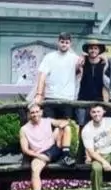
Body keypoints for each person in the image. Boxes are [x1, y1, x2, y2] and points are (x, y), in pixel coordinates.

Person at [33, 33, 78, 167]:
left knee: (65, 127)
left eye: (67, 42)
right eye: (62, 42)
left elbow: (81, 68)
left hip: (67, 99)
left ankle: (64, 156)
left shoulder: (74, 58)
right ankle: (50, 155)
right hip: (51, 98)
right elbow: (42, 75)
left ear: (70, 44)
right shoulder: (49, 57)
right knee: (50, 129)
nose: (64, 44)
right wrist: (39, 94)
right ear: (58, 42)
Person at [19, 102, 65, 190]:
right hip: (40, 154)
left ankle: (66, 155)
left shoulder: (47, 121)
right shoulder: (24, 129)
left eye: (37, 112)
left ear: (41, 112)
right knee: (35, 168)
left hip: (53, 148)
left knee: (64, 128)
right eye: (32, 113)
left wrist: (62, 124)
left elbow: (61, 122)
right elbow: (25, 149)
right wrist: (38, 155)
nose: (35, 114)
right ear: (29, 114)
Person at [75, 40, 110, 162]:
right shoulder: (82, 62)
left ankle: (96, 156)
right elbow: (75, 73)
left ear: (99, 50)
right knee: (82, 127)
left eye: (95, 48)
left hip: (98, 100)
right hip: (82, 99)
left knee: (97, 129)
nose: (93, 50)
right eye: (91, 48)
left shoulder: (104, 63)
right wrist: (79, 63)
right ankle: (81, 156)